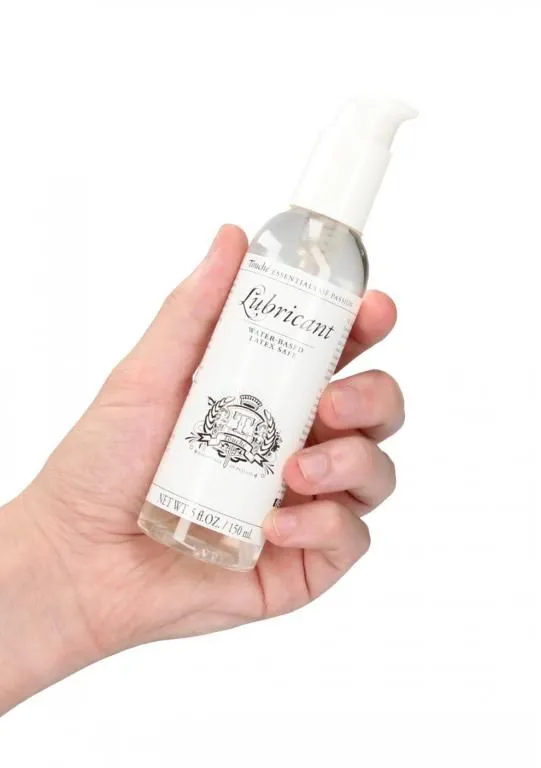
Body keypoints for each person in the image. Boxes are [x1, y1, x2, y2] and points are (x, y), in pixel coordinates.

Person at [0, 225, 404, 714]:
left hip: (249, 525)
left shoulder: (342, 259)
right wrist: (59, 551)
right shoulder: (281, 238)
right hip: (168, 506)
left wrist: (66, 570)